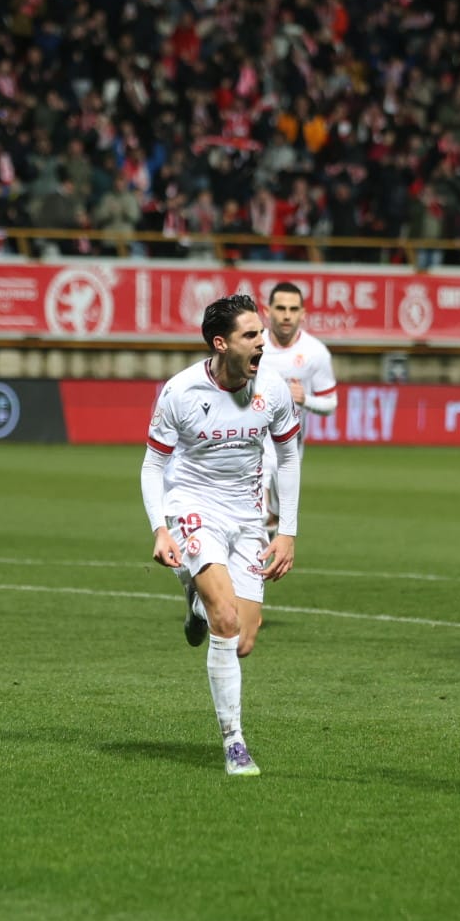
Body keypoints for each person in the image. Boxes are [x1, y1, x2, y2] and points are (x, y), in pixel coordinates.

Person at [141, 293, 302, 777]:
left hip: (249, 517)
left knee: (244, 638)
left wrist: (287, 532)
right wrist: (161, 529)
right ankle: (234, 742)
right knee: (226, 621)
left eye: (261, 333)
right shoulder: (180, 392)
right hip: (194, 507)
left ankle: (194, 603)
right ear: (220, 343)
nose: (262, 343)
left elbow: (290, 457)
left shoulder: (270, 389)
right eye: (251, 335)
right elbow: (153, 465)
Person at [258, 281, 338, 541]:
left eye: (293, 309)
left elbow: (330, 404)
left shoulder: (315, 353)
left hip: (290, 443)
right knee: (256, 510)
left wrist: (305, 399)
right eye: (280, 308)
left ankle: (258, 564)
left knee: (276, 516)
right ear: (267, 311)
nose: (286, 315)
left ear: (303, 314)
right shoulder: (253, 345)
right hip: (252, 438)